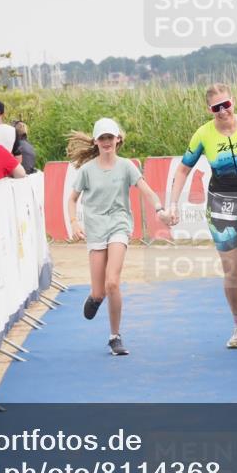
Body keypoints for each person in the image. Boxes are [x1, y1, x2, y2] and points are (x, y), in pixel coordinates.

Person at [167, 84, 237, 349]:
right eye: (216, 108)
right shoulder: (203, 134)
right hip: (221, 206)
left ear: (234, 101)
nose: (222, 112)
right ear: (209, 110)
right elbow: (184, 169)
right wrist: (172, 204)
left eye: (226, 105)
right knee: (232, 270)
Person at [66, 118, 170, 356]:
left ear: (118, 139)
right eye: (102, 138)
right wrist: (74, 222)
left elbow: (146, 190)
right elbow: (71, 199)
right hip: (95, 228)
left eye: (110, 138)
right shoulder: (87, 170)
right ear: (96, 141)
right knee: (99, 291)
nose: (106, 142)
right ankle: (94, 297)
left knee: (112, 282)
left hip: (119, 225)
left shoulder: (126, 166)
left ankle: (115, 336)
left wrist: (159, 209)